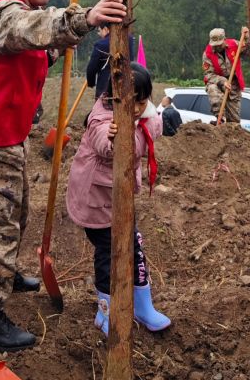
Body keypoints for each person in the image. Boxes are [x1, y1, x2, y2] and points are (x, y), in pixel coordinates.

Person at [0, 0, 127, 351]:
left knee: (15, 214)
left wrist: (55, 50)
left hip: (9, 136)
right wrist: (82, 20)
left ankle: (4, 275)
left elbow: (25, 50)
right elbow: (24, 29)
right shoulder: (3, 9)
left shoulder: (26, 13)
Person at [66, 62, 171, 336]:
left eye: (143, 101)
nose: (137, 108)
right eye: (132, 102)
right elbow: (104, 143)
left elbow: (154, 124)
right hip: (96, 200)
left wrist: (150, 118)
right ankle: (106, 310)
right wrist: (114, 134)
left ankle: (142, 305)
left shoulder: (142, 111)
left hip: (121, 197)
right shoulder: (101, 118)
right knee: (108, 254)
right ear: (114, 97)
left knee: (134, 247)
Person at [202, 26, 249, 123]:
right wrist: (223, 81)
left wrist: (246, 38)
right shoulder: (207, 54)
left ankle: (231, 128)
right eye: (215, 45)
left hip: (233, 85)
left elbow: (247, 51)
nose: (217, 47)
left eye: (219, 44)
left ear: (224, 39)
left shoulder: (234, 44)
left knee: (234, 121)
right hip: (217, 83)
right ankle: (220, 119)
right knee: (212, 88)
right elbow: (208, 75)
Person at [86, 23, 135, 99]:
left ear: (106, 29)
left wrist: (91, 82)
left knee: (102, 110)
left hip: (105, 88)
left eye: (99, 31)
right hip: (126, 87)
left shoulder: (100, 45)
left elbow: (92, 68)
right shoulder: (130, 40)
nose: (99, 34)